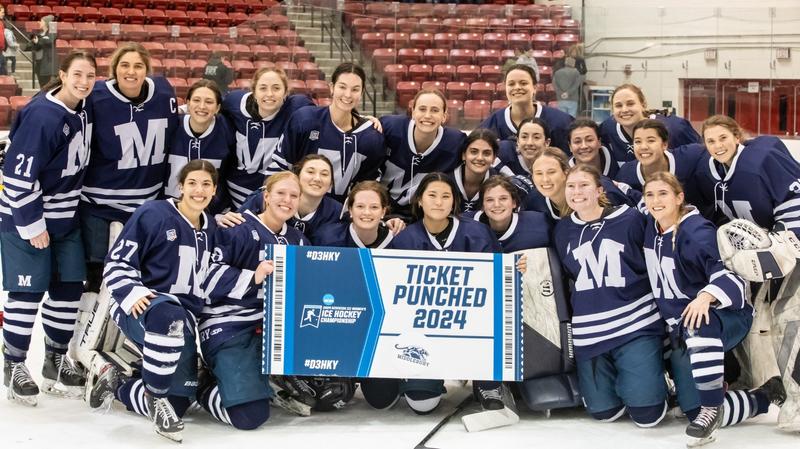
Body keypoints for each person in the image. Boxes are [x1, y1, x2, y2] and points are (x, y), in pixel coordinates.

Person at [642, 171, 782, 444]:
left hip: (726, 316)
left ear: (679, 198)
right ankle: (760, 395)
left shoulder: (697, 232)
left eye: (663, 194)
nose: (656, 200)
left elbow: (732, 277)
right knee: (692, 410)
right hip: (682, 327)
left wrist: (706, 296)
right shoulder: (652, 225)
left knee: (699, 324)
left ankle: (721, 406)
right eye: (650, 195)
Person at [87, 160, 218, 442]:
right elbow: (117, 262)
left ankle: (117, 383)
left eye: (206, 184)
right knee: (167, 317)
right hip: (142, 306)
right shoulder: (154, 213)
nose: (199, 190)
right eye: (192, 183)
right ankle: (156, 398)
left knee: (179, 403)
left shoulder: (212, 229)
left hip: (181, 321)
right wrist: (133, 292)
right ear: (180, 187)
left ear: (214, 190)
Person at [0, 51, 96, 406]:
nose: (84, 82)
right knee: (27, 292)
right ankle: (14, 364)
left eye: (90, 76)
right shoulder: (43, 115)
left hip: (66, 218)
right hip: (27, 219)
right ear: (63, 74)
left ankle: (55, 359)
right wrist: (32, 224)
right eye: (77, 74)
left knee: (68, 288)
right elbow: (16, 177)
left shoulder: (82, 108)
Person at [695, 115, 800, 432]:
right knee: (745, 315)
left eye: (723, 138)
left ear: (737, 136)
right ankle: (752, 383)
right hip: (750, 259)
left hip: (787, 251)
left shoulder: (764, 156)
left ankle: (797, 400)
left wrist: (785, 241)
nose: (718, 145)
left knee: (788, 318)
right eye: (711, 140)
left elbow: (795, 201)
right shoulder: (707, 172)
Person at [370, 172, 501, 414]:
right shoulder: (405, 240)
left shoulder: (478, 233)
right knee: (422, 403)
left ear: (454, 201)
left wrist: (514, 269)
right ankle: (415, 375)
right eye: (432, 195)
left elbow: (495, 287)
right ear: (420, 200)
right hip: (423, 333)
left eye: (445, 196)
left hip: (469, 327)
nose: (439, 202)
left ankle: (486, 381)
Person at [554, 164, 667, 427]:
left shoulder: (630, 218)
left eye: (584, 185)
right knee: (604, 413)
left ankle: (658, 377)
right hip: (589, 331)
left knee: (648, 415)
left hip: (635, 324)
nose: (576, 191)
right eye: (571, 186)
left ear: (599, 190)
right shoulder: (562, 229)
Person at [198, 171, 309, 430]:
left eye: (294, 195)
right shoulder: (236, 228)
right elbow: (206, 279)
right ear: (266, 196)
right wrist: (253, 277)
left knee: (327, 392)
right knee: (249, 417)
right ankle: (201, 385)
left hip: (276, 332)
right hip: (232, 328)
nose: (287, 200)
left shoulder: (299, 240)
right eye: (280, 193)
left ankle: (263, 381)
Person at [80, 42, 178, 293]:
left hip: (145, 205)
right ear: (114, 69)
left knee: (141, 274)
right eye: (124, 65)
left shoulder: (164, 92)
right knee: (96, 275)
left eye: (138, 66)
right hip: (98, 205)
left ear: (147, 69)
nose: (131, 71)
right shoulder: (95, 96)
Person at [267, 62, 385, 203]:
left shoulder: (371, 137)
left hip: (338, 214)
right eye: (342, 87)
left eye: (355, 89)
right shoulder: (305, 120)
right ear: (332, 87)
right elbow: (278, 170)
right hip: (295, 208)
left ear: (362, 92)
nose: (348, 95)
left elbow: (368, 189)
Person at [221, 67, 314, 208]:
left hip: (274, 194)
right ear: (254, 92)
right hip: (235, 191)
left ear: (285, 93)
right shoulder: (234, 102)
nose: (269, 94)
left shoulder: (296, 107)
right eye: (263, 88)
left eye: (276, 88)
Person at [380, 89, 464, 219]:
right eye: (422, 109)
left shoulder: (455, 142)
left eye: (435, 110)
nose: (428, 115)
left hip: (422, 215)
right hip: (381, 209)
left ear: (444, 116)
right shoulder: (390, 127)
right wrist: (368, 122)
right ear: (413, 112)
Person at [224, 154, 343, 242]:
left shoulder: (337, 212)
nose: (317, 178)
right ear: (297, 177)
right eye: (310, 172)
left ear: (331, 184)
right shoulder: (266, 198)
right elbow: (235, 222)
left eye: (324, 174)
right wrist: (223, 218)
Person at [165, 79, 234, 214]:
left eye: (209, 102)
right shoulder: (172, 125)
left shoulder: (227, 130)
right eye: (196, 100)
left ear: (218, 108)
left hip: (211, 211)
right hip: (171, 209)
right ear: (188, 103)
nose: (202, 106)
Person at [615, 119, 709, 214]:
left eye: (651, 141)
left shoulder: (691, 157)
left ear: (664, 144)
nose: (643, 147)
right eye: (638, 141)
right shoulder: (625, 174)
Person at [520, 147, 639, 220]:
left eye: (551, 172)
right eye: (539, 173)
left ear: (566, 172)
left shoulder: (600, 189)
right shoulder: (533, 201)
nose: (545, 179)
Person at [480, 64, 573, 154]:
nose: (517, 87)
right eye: (511, 84)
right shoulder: (490, 126)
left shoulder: (562, 122)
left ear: (535, 87)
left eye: (523, 83)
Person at [600, 83, 700, 165]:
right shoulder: (608, 128)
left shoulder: (675, 127)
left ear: (643, 104)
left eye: (630, 104)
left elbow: (702, 154)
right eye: (618, 105)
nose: (624, 110)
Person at [449, 128, 501, 213]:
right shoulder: (446, 181)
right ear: (464, 155)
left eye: (486, 153)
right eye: (474, 152)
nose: (480, 158)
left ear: (494, 158)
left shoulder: (499, 184)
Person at [30, 15, 55, 87]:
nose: (39, 23)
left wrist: (39, 41)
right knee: (42, 85)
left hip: (47, 63)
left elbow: (49, 41)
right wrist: (36, 42)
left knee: (47, 85)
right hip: (39, 62)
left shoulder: (52, 33)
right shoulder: (39, 34)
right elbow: (32, 46)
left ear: (46, 23)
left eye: (41, 21)